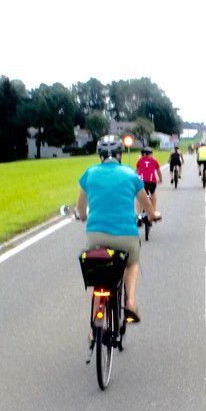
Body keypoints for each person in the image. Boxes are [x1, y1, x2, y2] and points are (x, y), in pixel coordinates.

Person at [75, 135, 160, 324]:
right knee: (132, 263)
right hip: (126, 235)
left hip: (96, 236)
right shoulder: (130, 174)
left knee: (99, 275)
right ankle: (130, 302)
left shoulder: (89, 173)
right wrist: (153, 215)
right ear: (120, 155)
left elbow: (81, 207)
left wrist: (83, 217)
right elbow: (145, 203)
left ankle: (93, 328)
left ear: (100, 155)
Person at [136, 146, 163, 212]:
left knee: (139, 198)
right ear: (150, 154)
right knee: (153, 193)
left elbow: (137, 171)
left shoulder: (139, 161)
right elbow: (158, 171)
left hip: (141, 181)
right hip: (152, 181)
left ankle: (138, 213)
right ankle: (153, 211)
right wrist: (160, 179)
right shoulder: (154, 161)